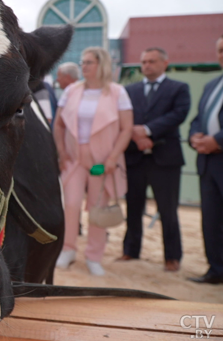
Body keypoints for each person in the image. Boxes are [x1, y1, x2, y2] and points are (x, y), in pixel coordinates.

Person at [53, 47, 134, 276]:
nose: (84, 66)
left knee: (98, 208)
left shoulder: (118, 92)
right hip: (73, 157)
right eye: (83, 61)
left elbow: (127, 129)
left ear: (102, 65)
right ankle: (67, 250)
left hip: (103, 161)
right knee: (70, 204)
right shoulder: (71, 91)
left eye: (89, 62)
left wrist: (113, 158)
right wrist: (61, 151)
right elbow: (59, 125)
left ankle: (93, 256)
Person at [119, 48, 190, 272]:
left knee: (168, 210)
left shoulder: (178, 88)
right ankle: (130, 250)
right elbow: (123, 117)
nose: (147, 65)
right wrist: (136, 135)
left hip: (165, 158)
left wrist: (148, 131)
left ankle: (172, 257)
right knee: (133, 207)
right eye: (144, 61)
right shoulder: (129, 90)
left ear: (164, 63)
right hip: (135, 157)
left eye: (152, 61)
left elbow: (179, 114)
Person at [187, 35, 223, 284]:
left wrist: (218, 140)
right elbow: (198, 119)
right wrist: (194, 137)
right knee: (211, 220)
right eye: (220, 50)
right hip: (208, 164)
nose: (222, 54)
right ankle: (216, 270)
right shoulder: (212, 85)